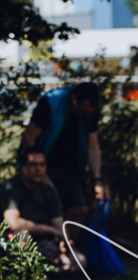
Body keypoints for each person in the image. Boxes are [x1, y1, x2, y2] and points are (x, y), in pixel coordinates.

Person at [20, 82, 105, 232]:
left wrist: (97, 179)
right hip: (43, 164)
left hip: (70, 167)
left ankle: (66, 248)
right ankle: (47, 249)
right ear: (73, 99)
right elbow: (28, 139)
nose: (86, 115)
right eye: (83, 111)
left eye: (89, 112)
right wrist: (41, 174)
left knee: (79, 211)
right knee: (48, 211)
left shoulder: (90, 111)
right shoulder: (51, 103)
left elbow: (93, 146)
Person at [1, 146, 83, 271]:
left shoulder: (49, 190)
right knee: (21, 238)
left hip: (42, 241)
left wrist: (63, 240)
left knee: (79, 261)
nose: (38, 169)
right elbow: (14, 223)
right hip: (12, 240)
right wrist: (49, 230)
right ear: (23, 167)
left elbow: (58, 225)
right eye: (33, 165)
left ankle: (48, 272)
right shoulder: (9, 187)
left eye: (42, 164)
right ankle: (26, 274)